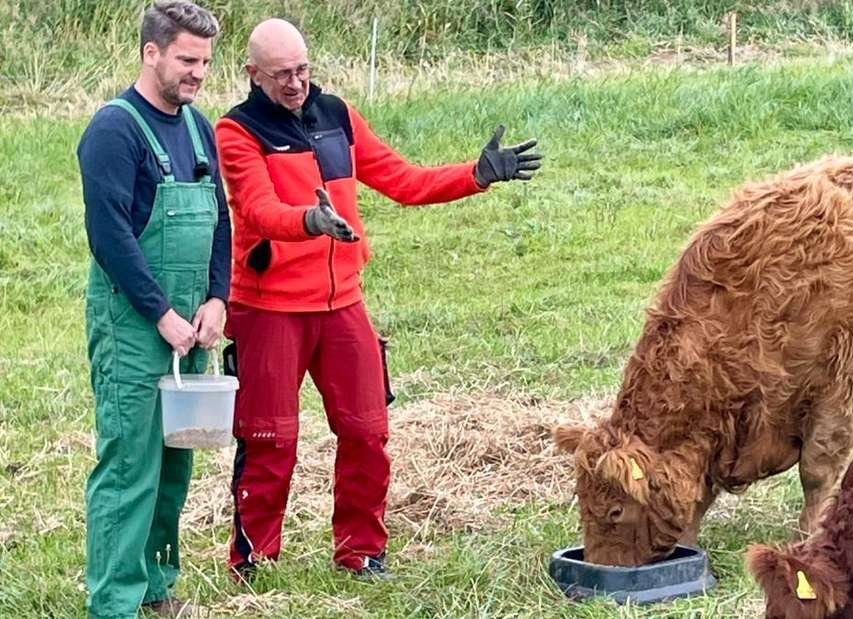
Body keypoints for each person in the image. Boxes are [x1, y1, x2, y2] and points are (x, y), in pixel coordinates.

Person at [215, 18, 542, 580]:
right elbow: (259, 210)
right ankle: (255, 562)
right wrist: (311, 221)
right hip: (268, 307)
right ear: (253, 75)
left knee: (368, 430)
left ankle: (361, 554)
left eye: (302, 70)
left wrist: (477, 175)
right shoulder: (236, 132)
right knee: (271, 439)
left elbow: (403, 181)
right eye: (282, 74)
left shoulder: (337, 116)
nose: (296, 83)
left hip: (343, 303)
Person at [77, 1, 230, 616]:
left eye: (206, 62)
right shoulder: (113, 130)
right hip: (134, 326)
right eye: (188, 60)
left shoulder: (198, 128)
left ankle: (156, 588)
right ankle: (114, 602)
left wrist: (217, 297)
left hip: (191, 326)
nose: (199, 73)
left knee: (175, 463)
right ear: (151, 52)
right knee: (130, 466)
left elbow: (221, 219)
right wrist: (160, 313)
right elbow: (109, 235)